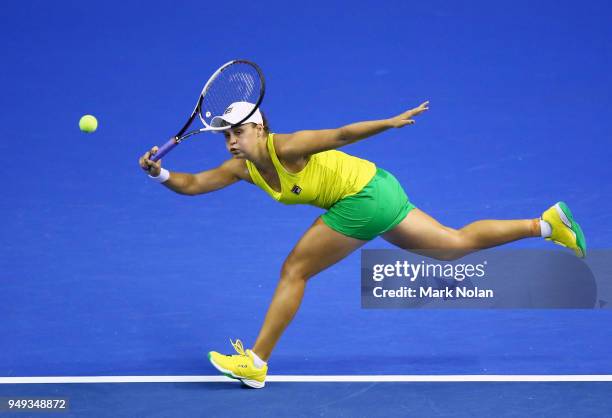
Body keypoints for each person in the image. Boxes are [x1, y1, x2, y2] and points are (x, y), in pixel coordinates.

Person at [139, 100, 586, 388]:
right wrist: (159, 173)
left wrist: (389, 123)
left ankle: (256, 361)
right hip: (380, 187)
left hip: (363, 197)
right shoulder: (240, 169)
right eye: (227, 135)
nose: (232, 141)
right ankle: (545, 225)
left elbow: (340, 135)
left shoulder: (288, 146)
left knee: (295, 270)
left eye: (239, 132)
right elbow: (194, 183)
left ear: (260, 129)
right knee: (452, 245)